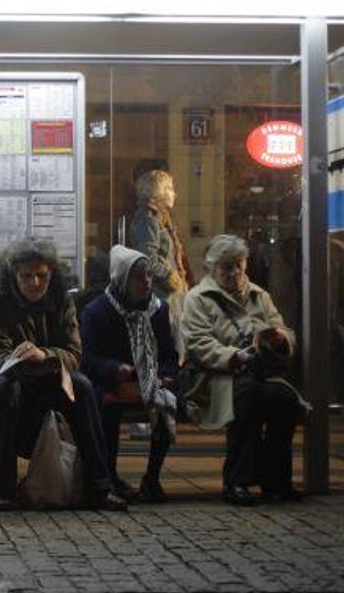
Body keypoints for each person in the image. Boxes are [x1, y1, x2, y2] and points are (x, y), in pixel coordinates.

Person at [0, 238, 127, 511]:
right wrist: (24, 360)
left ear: (51, 274)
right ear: (14, 275)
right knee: (6, 389)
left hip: (46, 368)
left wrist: (45, 356)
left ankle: (100, 486)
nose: (35, 283)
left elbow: (75, 354)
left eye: (41, 275)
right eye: (27, 276)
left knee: (83, 386)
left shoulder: (62, 299)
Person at [181, 234, 309, 506]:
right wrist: (236, 356)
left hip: (259, 372)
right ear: (212, 268)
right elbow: (199, 344)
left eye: (239, 265)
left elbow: (285, 330)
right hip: (217, 376)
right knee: (247, 398)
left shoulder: (259, 295)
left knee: (284, 400)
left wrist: (279, 339)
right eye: (227, 267)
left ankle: (276, 481)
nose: (235, 272)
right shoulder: (198, 298)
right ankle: (237, 482)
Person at [80, 245, 181, 503]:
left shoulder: (158, 310)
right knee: (107, 406)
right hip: (112, 381)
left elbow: (169, 354)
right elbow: (87, 358)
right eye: (139, 277)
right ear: (122, 278)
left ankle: (152, 478)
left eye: (148, 276)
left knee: (167, 399)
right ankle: (108, 476)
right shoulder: (97, 311)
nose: (146, 283)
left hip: (148, 380)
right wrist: (115, 369)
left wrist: (165, 376)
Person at [130, 170, 194, 353]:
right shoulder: (148, 220)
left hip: (168, 295)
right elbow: (147, 259)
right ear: (158, 191)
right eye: (170, 188)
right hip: (160, 296)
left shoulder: (159, 219)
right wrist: (170, 277)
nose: (174, 193)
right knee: (168, 349)